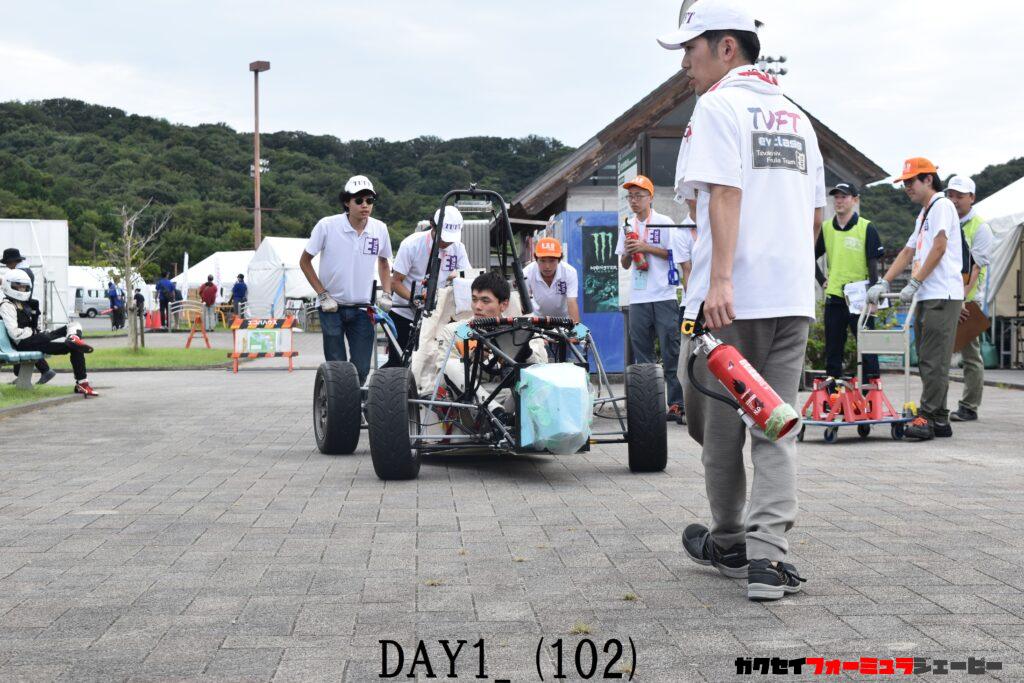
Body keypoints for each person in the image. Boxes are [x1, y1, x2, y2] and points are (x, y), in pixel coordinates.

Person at [661, 0, 826, 600]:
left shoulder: (717, 106)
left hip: (729, 303)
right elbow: (814, 217)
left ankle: (730, 542)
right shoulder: (798, 119)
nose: (685, 63)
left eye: (690, 48)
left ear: (726, 47)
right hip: (791, 299)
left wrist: (723, 280)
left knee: (718, 425)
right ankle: (768, 561)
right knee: (775, 424)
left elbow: (723, 193)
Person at [868, 158, 962, 440]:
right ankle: (940, 419)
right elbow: (908, 252)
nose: (906, 187)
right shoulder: (924, 214)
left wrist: (916, 281)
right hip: (927, 293)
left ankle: (927, 417)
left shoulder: (942, 205)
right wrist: (884, 281)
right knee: (928, 358)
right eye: (904, 182)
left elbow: (940, 246)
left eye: (911, 181)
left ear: (928, 179)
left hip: (941, 293)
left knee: (933, 360)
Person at [300, 174, 393, 383]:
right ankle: (338, 401)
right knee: (337, 367)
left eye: (369, 200)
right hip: (331, 307)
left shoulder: (379, 229)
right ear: (346, 202)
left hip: (362, 308)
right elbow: (304, 262)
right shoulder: (327, 226)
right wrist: (322, 294)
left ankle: (354, 399)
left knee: (362, 367)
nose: (364, 205)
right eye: (358, 200)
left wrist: (387, 293)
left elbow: (384, 262)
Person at [615, 174, 685, 423]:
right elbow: (624, 264)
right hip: (638, 298)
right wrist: (628, 251)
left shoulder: (664, 222)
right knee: (642, 355)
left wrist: (646, 248)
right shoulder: (627, 225)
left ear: (650, 197)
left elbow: (676, 254)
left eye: (639, 196)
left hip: (664, 294)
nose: (634, 200)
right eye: (630, 196)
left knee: (671, 350)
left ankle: (676, 404)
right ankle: (649, 406)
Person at [433, 272, 547, 424]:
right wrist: (473, 359)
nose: (478, 307)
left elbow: (542, 375)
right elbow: (442, 380)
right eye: (474, 299)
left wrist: (523, 354)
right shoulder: (454, 331)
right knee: (450, 365)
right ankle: (497, 414)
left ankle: (506, 419)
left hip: (510, 399)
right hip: (469, 402)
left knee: (534, 378)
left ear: (503, 304)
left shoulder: (522, 331)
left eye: (485, 301)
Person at [816, 183, 885, 385]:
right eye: (836, 197)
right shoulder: (826, 228)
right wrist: (822, 280)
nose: (839, 201)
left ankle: (870, 392)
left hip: (861, 299)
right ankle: (832, 393)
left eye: (844, 197)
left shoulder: (866, 227)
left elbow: (873, 266)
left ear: (855, 200)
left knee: (867, 348)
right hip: (835, 297)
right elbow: (810, 256)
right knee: (833, 349)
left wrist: (873, 299)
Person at [387, 207, 471, 367]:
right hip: (405, 313)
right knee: (398, 363)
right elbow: (395, 282)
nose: (447, 243)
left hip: (435, 315)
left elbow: (466, 277)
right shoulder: (411, 245)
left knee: (430, 362)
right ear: (433, 226)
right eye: (444, 237)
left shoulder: (458, 248)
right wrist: (415, 299)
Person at [1, 269, 97, 396]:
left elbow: (35, 327)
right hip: (24, 343)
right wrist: (34, 331)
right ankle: (82, 383)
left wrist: (35, 321)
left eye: (24, 287)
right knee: (72, 346)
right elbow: (15, 333)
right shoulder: (7, 305)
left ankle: (73, 338)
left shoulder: (24, 304)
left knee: (74, 325)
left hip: (36, 340)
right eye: (18, 286)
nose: (22, 289)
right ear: (9, 285)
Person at [944, 174, 993, 422]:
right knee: (940, 354)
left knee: (970, 356)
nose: (954, 200)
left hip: (968, 300)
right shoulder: (946, 221)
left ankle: (969, 406)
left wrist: (962, 298)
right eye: (950, 195)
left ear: (972, 198)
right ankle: (936, 405)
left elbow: (976, 267)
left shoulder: (980, 227)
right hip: (945, 296)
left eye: (960, 196)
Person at [1, 248, 55, 384]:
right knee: (24, 343)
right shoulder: (26, 270)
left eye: (7, 263)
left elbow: (15, 287)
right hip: (25, 310)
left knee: (23, 342)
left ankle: (41, 370)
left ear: (12, 261)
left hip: (22, 311)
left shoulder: (20, 273)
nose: (7, 266)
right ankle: (23, 375)